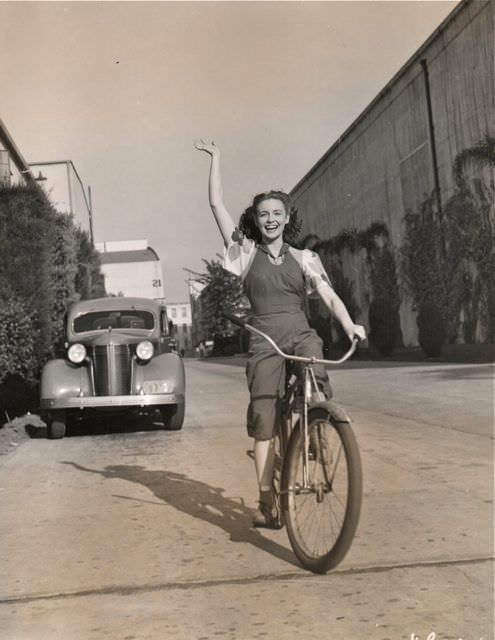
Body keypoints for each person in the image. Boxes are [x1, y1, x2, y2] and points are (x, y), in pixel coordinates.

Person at [195, 139, 366, 528]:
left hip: (299, 333)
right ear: (255, 220)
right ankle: (267, 498)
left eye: (277, 212)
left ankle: (319, 426)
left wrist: (350, 323)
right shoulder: (245, 254)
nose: (270, 218)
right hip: (264, 339)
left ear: (288, 217)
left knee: (316, 371)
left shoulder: (305, 259)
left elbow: (329, 295)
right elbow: (216, 206)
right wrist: (217, 159)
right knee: (264, 418)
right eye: (263, 214)